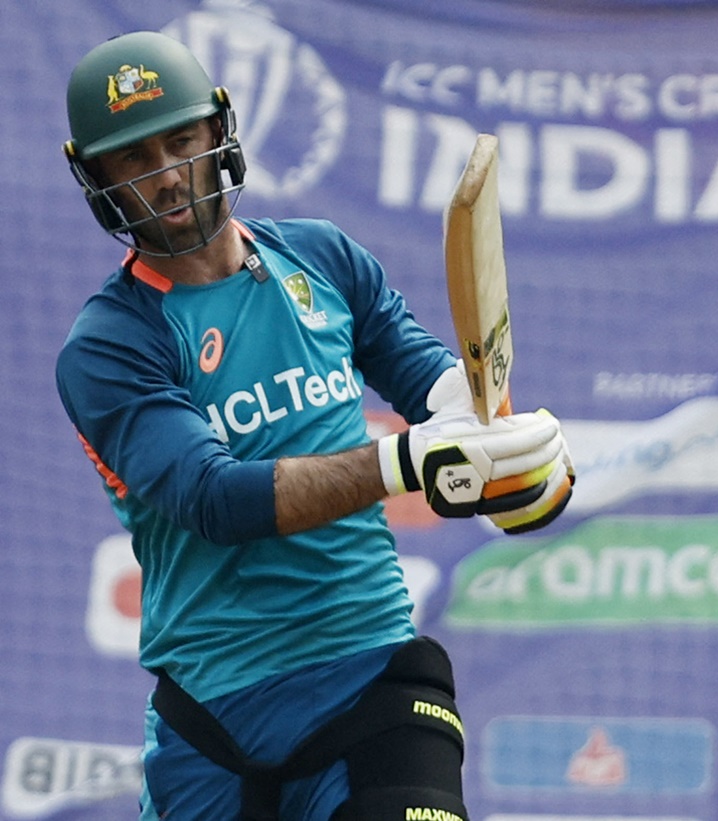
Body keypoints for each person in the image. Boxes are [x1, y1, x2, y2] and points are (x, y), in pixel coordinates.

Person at [56, 30, 574, 821]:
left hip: (371, 676)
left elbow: (435, 385)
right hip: (213, 716)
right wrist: (411, 463)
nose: (166, 176)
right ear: (99, 181)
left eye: (180, 140)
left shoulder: (324, 259)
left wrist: (508, 456)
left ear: (219, 133)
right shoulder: (110, 343)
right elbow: (215, 499)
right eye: (134, 159)